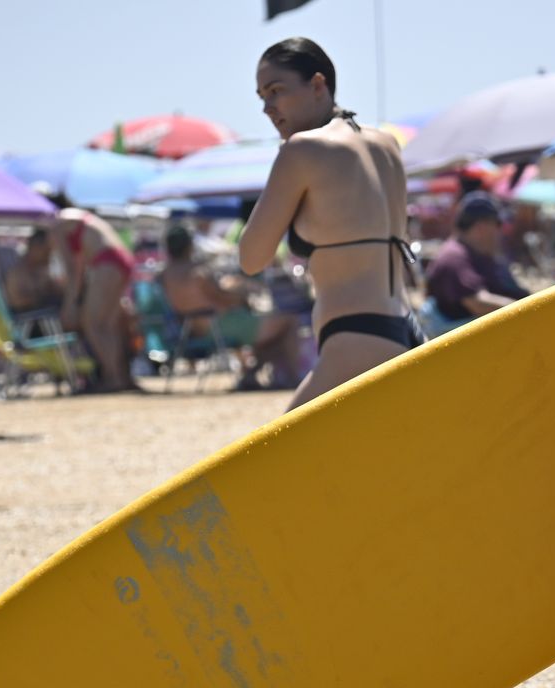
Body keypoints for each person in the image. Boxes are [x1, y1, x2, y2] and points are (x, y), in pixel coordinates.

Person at [238, 36, 422, 412]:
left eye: (276, 92)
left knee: (280, 463)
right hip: (405, 332)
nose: (268, 108)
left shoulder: (302, 150)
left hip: (353, 338)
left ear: (318, 84)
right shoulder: (387, 145)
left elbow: (251, 258)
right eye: (261, 98)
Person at [160, 224, 303, 391]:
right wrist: (242, 293)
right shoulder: (198, 272)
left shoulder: (165, 274)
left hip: (190, 330)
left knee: (271, 331)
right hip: (219, 327)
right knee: (289, 323)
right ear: (189, 245)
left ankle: (251, 375)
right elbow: (223, 298)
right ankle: (292, 379)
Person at [52, 208, 138, 392]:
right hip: (120, 260)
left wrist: (70, 304)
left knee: (93, 325)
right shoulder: (79, 216)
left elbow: (72, 269)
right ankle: (121, 377)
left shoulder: (58, 223)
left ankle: (113, 377)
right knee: (109, 325)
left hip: (106, 263)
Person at [423, 191, 532, 332]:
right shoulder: (453, 257)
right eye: (497, 224)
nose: (500, 232)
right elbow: (478, 302)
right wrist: (529, 311)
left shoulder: (477, 253)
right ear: (481, 227)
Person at [2, 229, 64, 318]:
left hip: (43, 314)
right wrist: (41, 296)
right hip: (30, 319)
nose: (49, 256)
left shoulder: (41, 269)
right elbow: (17, 302)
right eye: (47, 251)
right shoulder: (17, 273)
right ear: (35, 248)